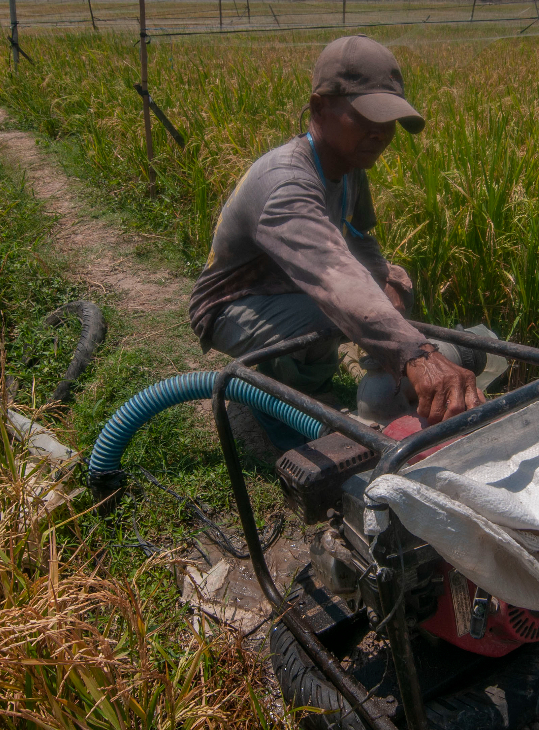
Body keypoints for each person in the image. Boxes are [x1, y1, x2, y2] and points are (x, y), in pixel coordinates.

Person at [188, 35, 481, 451]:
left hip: (293, 285)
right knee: (326, 315)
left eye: (389, 120)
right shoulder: (286, 183)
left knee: (393, 281)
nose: (381, 133)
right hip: (234, 304)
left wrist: (386, 286)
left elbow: (361, 239)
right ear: (319, 108)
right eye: (366, 117)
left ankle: (360, 381)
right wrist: (416, 355)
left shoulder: (348, 166)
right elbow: (334, 279)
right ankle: (288, 416)